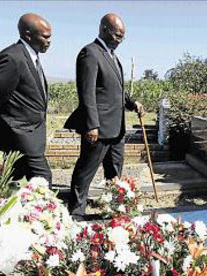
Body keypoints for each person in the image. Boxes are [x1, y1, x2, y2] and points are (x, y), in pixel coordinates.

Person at [64, 13, 145, 220]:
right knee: (86, 171)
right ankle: (76, 213)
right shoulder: (90, 53)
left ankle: (115, 209)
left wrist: (132, 103)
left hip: (116, 128)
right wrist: (92, 125)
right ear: (104, 29)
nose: (120, 40)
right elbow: (87, 92)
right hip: (98, 128)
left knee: (115, 171)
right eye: (117, 35)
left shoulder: (112, 56)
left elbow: (115, 90)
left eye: (122, 37)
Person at [0, 13, 52, 185]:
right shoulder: (12, 57)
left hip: (31, 132)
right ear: (28, 34)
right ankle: (45, 211)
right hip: (19, 132)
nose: (49, 41)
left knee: (11, 175)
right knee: (43, 180)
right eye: (45, 36)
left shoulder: (31, 57)